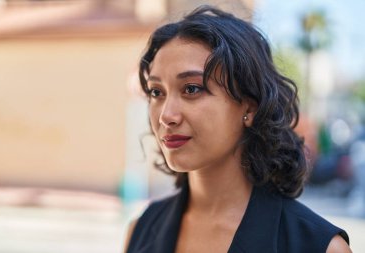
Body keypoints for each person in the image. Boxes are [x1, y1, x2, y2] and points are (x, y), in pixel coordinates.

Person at [124, 5, 351, 253]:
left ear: (250, 108)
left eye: (191, 89)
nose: (166, 115)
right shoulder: (140, 229)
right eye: (157, 92)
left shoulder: (319, 247)